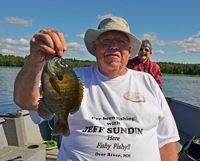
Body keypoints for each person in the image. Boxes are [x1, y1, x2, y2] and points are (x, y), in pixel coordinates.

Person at [14, 17, 179, 161]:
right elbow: (26, 102)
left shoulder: (148, 82)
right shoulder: (71, 77)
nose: (113, 46)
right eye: (106, 40)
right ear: (95, 47)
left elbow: (167, 141)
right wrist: (35, 61)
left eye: (121, 41)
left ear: (129, 50)